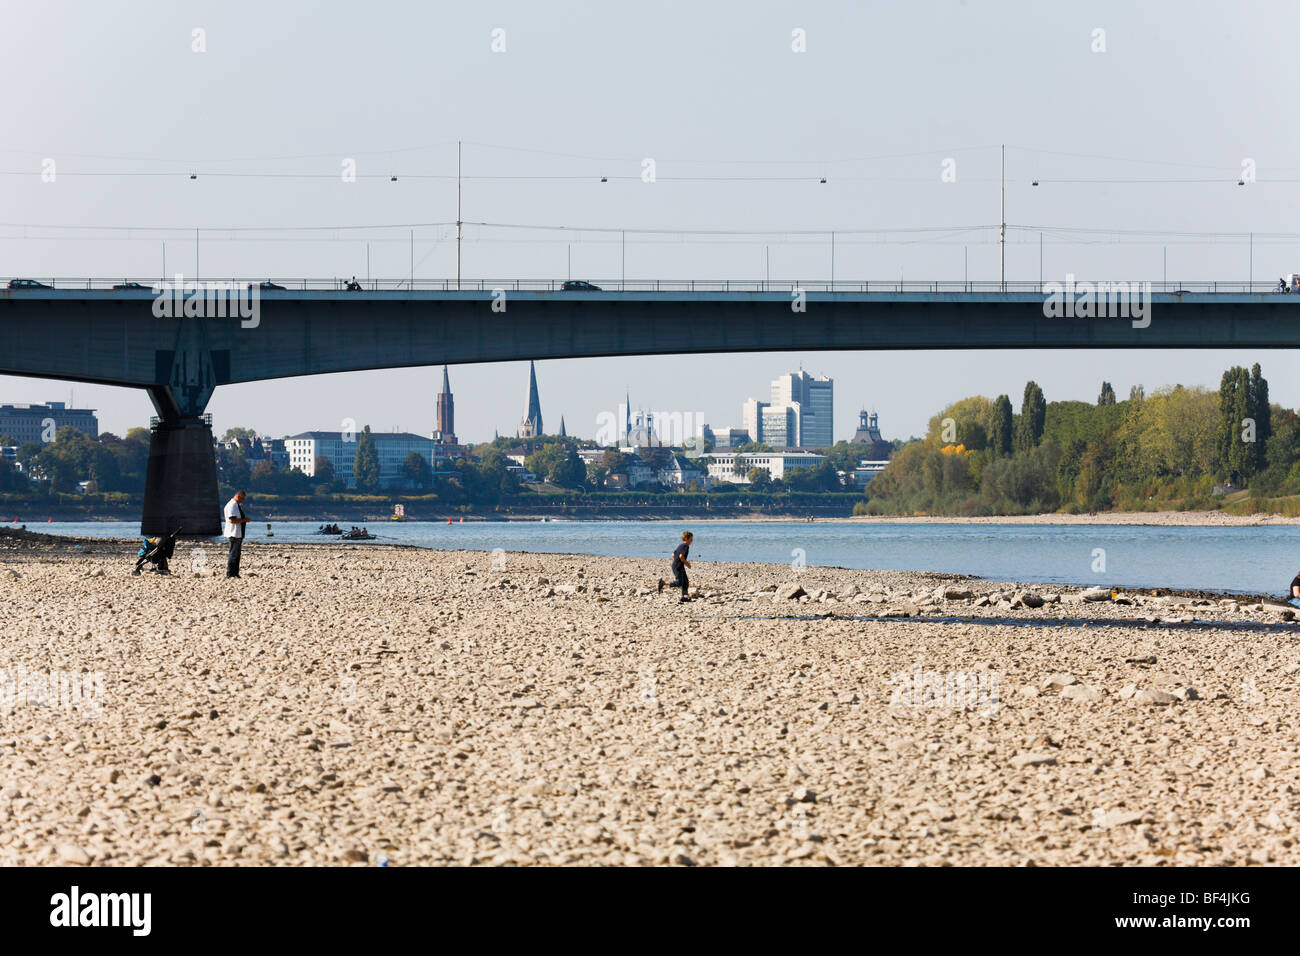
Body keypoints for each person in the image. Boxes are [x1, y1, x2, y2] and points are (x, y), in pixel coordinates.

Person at [658, 530, 694, 603]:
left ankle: (684, 596)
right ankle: (664, 583)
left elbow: (673, 554)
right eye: (691, 539)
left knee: (685, 582)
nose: (692, 541)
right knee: (679, 582)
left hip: (678, 565)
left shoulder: (680, 545)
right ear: (687, 539)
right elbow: (681, 556)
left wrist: (677, 561)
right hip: (678, 566)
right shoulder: (686, 546)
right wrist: (687, 564)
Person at [224, 490, 250, 578]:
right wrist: (244, 520)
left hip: (237, 533)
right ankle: (230, 573)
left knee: (236, 554)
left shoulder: (236, 505)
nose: (243, 501)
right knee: (233, 554)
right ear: (238, 497)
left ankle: (235, 573)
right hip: (234, 533)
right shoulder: (232, 505)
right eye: (242, 499)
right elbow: (232, 520)